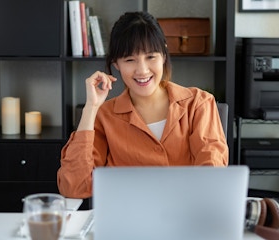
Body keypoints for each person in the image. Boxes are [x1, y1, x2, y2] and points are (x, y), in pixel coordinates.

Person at [57, 12, 228, 199]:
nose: (142, 70)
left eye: (150, 57)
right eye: (130, 60)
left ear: (163, 54)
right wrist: (91, 108)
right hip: (126, 221)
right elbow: (74, 187)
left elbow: (213, 177)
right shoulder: (103, 116)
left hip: (184, 218)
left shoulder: (198, 104)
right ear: (116, 64)